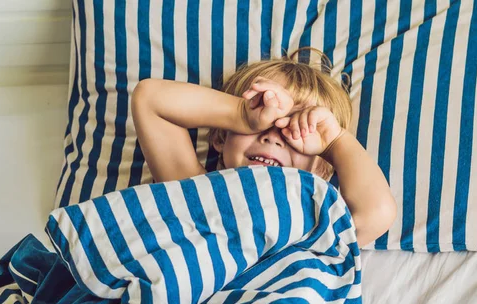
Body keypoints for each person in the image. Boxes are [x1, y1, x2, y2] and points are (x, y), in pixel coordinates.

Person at [131, 48, 396, 248]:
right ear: (221, 138)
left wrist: (336, 142)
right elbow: (149, 99)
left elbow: (377, 213)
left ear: (323, 168)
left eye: (294, 128)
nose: (273, 136)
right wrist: (242, 115)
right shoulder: (194, 190)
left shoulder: (312, 223)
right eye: (261, 114)